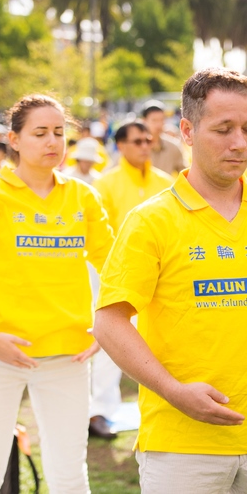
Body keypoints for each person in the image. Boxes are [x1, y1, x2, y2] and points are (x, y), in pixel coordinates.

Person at [93, 68, 247, 493]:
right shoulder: (151, 221)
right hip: (182, 440)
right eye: (223, 129)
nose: (239, 143)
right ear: (187, 131)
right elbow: (110, 322)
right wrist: (173, 390)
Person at [0, 94, 114, 493]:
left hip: (67, 354)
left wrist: (106, 328)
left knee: (69, 474)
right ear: (13, 140)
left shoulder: (83, 197)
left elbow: (116, 269)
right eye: (40, 133)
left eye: (59, 133)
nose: (52, 142)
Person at [88, 122, 173, 439]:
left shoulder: (166, 183)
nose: (145, 146)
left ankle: (164, 404)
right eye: (137, 141)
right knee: (111, 341)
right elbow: (99, 236)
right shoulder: (105, 184)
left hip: (163, 277)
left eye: (148, 140)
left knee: (159, 340)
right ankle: (100, 412)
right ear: (120, 145)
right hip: (113, 275)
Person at [143, 100, 187, 176]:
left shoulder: (174, 146)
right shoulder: (137, 146)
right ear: (144, 121)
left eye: (162, 120)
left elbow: (184, 174)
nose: (158, 124)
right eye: (154, 120)